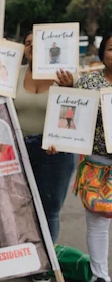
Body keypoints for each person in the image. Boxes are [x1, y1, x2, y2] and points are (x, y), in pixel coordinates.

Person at [7, 31, 75, 282]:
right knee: (17, 209)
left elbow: (77, 115)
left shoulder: (66, 76)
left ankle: (44, 267)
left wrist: (70, 90)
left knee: (49, 211)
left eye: (37, 42)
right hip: (17, 150)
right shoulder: (15, 74)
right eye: (27, 44)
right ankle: (23, 261)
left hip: (55, 152)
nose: (31, 47)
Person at [74, 33, 112, 282]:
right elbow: (71, 116)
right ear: (102, 53)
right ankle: (101, 276)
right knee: (98, 223)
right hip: (98, 161)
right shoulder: (88, 83)